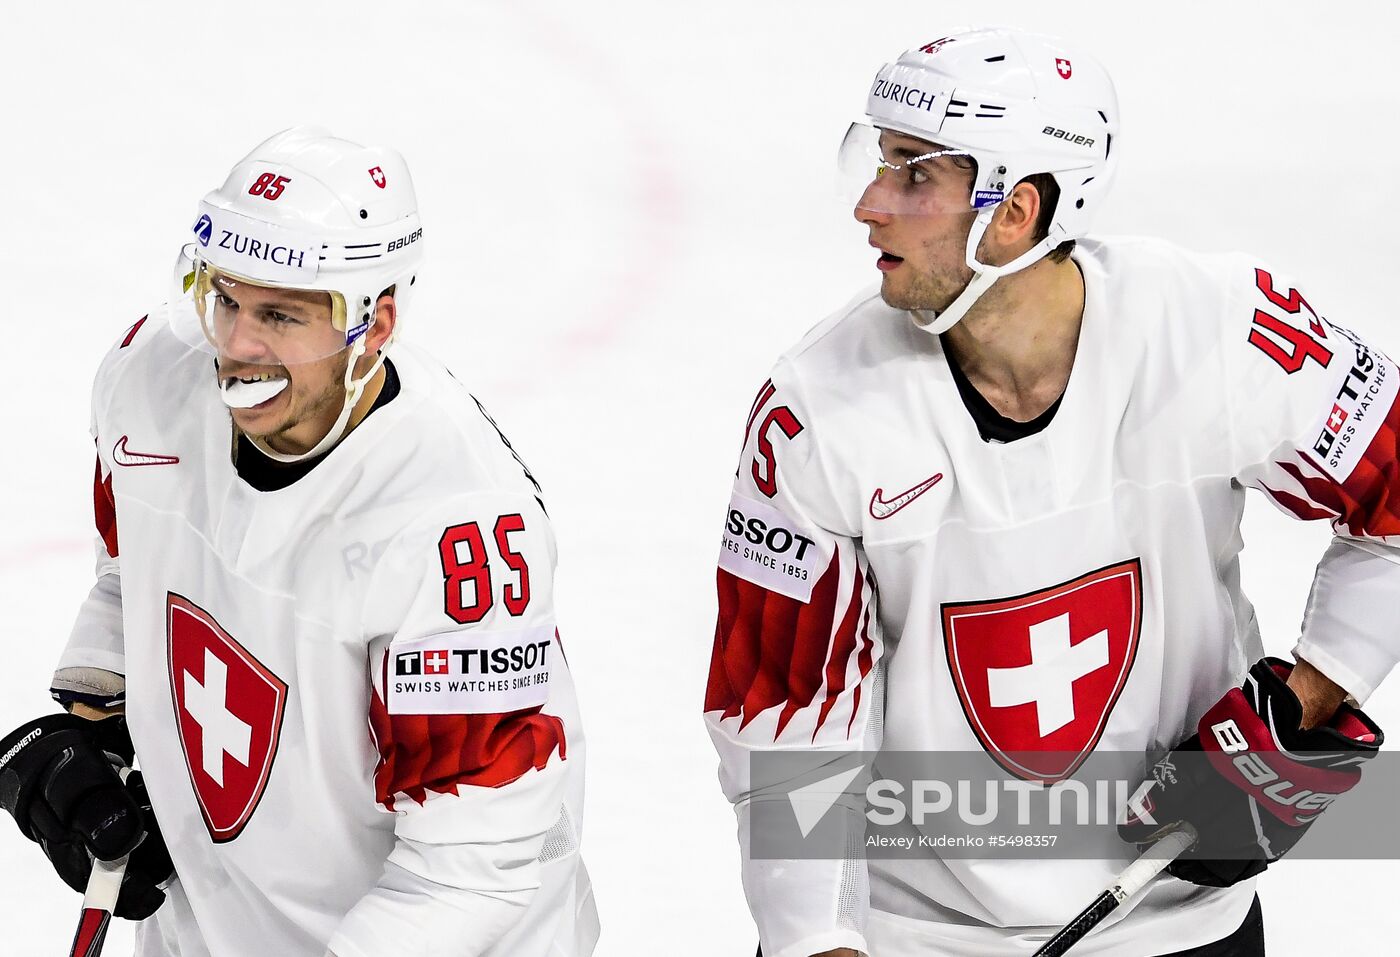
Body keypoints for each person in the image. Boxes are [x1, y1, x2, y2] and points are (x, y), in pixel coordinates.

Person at [704, 27, 1393, 957]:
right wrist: (817, 941)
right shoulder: (818, 413)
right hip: (915, 938)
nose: (870, 205)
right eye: (878, 164)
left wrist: (1306, 693)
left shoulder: (1216, 330)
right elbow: (784, 714)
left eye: (915, 175)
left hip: (1181, 925)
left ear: (1017, 209)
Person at [0, 128, 597, 957]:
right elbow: (133, 567)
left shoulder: (455, 530)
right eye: (225, 299)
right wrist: (100, 730)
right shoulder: (149, 381)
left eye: (280, 313)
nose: (239, 347)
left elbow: (470, 874)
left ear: (375, 322)